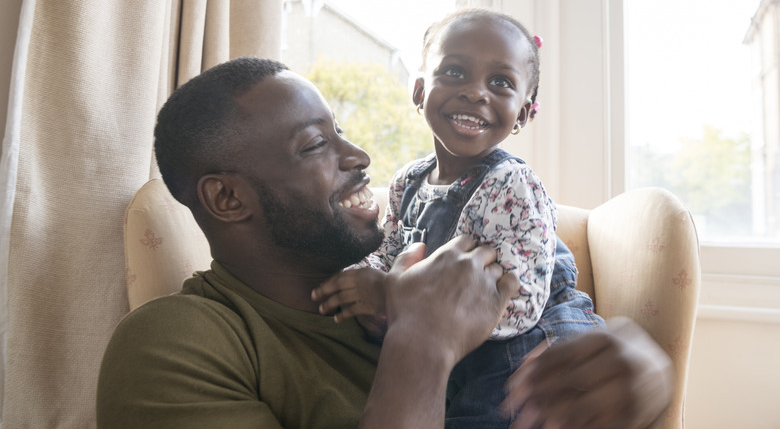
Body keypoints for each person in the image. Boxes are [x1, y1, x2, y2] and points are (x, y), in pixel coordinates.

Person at [96, 56, 673, 428]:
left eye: (341, 133)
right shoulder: (175, 345)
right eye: (315, 145)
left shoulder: (420, 267)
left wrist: (641, 383)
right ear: (227, 199)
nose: (360, 158)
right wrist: (423, 344)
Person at [312, 8, 603, 427]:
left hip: (525, 353)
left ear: (523, 113)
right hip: (454, 357)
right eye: (453, 71)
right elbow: (390, 248)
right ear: (418, 92)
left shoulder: (514, 185)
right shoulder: (408, 181)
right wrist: (359, 277)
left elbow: (521, 303)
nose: (475, 92)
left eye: (501, 82)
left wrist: (395, 298)